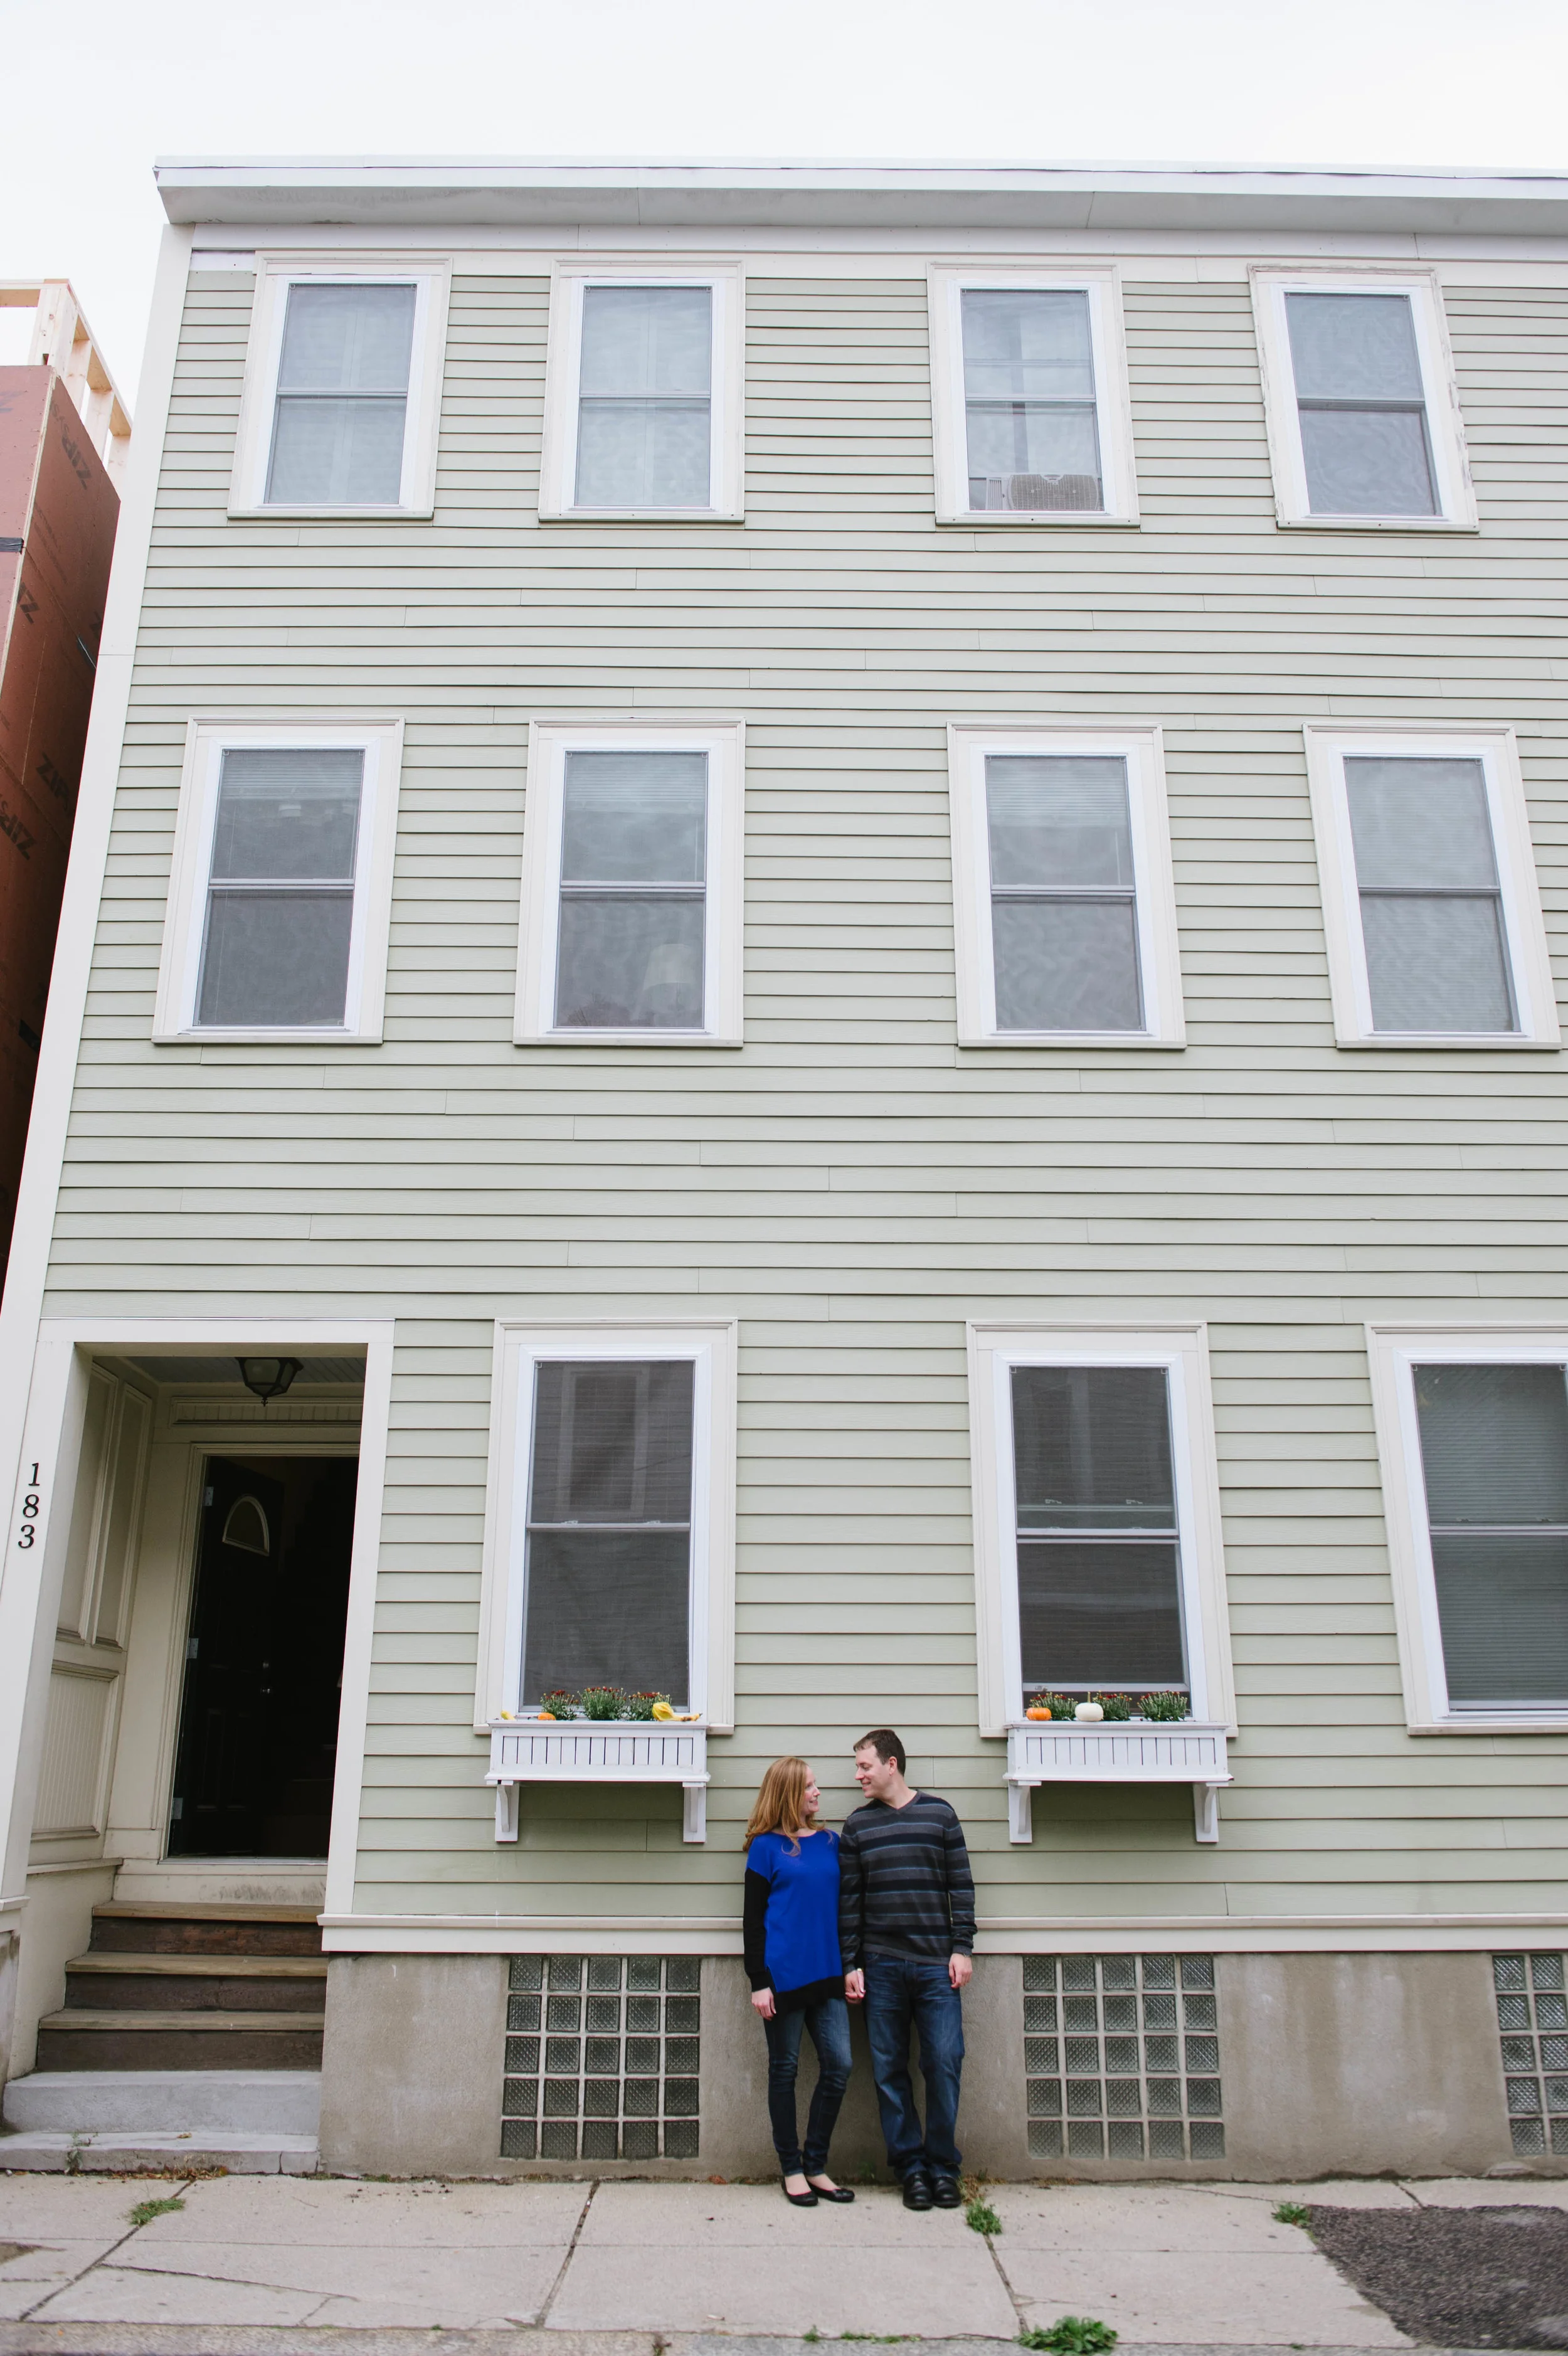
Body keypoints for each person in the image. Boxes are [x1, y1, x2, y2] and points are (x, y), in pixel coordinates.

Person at [839, 1728, 975, 2212]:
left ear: (891, 1764)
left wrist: (962, 1949)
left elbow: (960, 1886)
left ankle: (943, 2168)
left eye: (865, 1767)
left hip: (937, 1966)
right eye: (858, 1768)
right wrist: (850, 1963)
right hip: (880, 1967)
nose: (859, 1776)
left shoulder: (940, 1815)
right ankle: (911, 2169)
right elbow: (849, 1904)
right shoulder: (857, 1827)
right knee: (889, 2071)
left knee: (943, 2063)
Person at [743, 1755, 856, 2207]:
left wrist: (852, 1967)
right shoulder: (765, 1847)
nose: (818, 1792)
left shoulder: (832, 1842)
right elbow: (753, 1922)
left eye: (816, 1785)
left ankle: (816, 2163)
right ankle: (791, 2168)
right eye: (809, 1786)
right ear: (790, 1793)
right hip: (783, 1980)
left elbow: (849, 1911)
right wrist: (759, 1981)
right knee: (784, 2071)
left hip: (828, 1974)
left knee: (840, 2065)